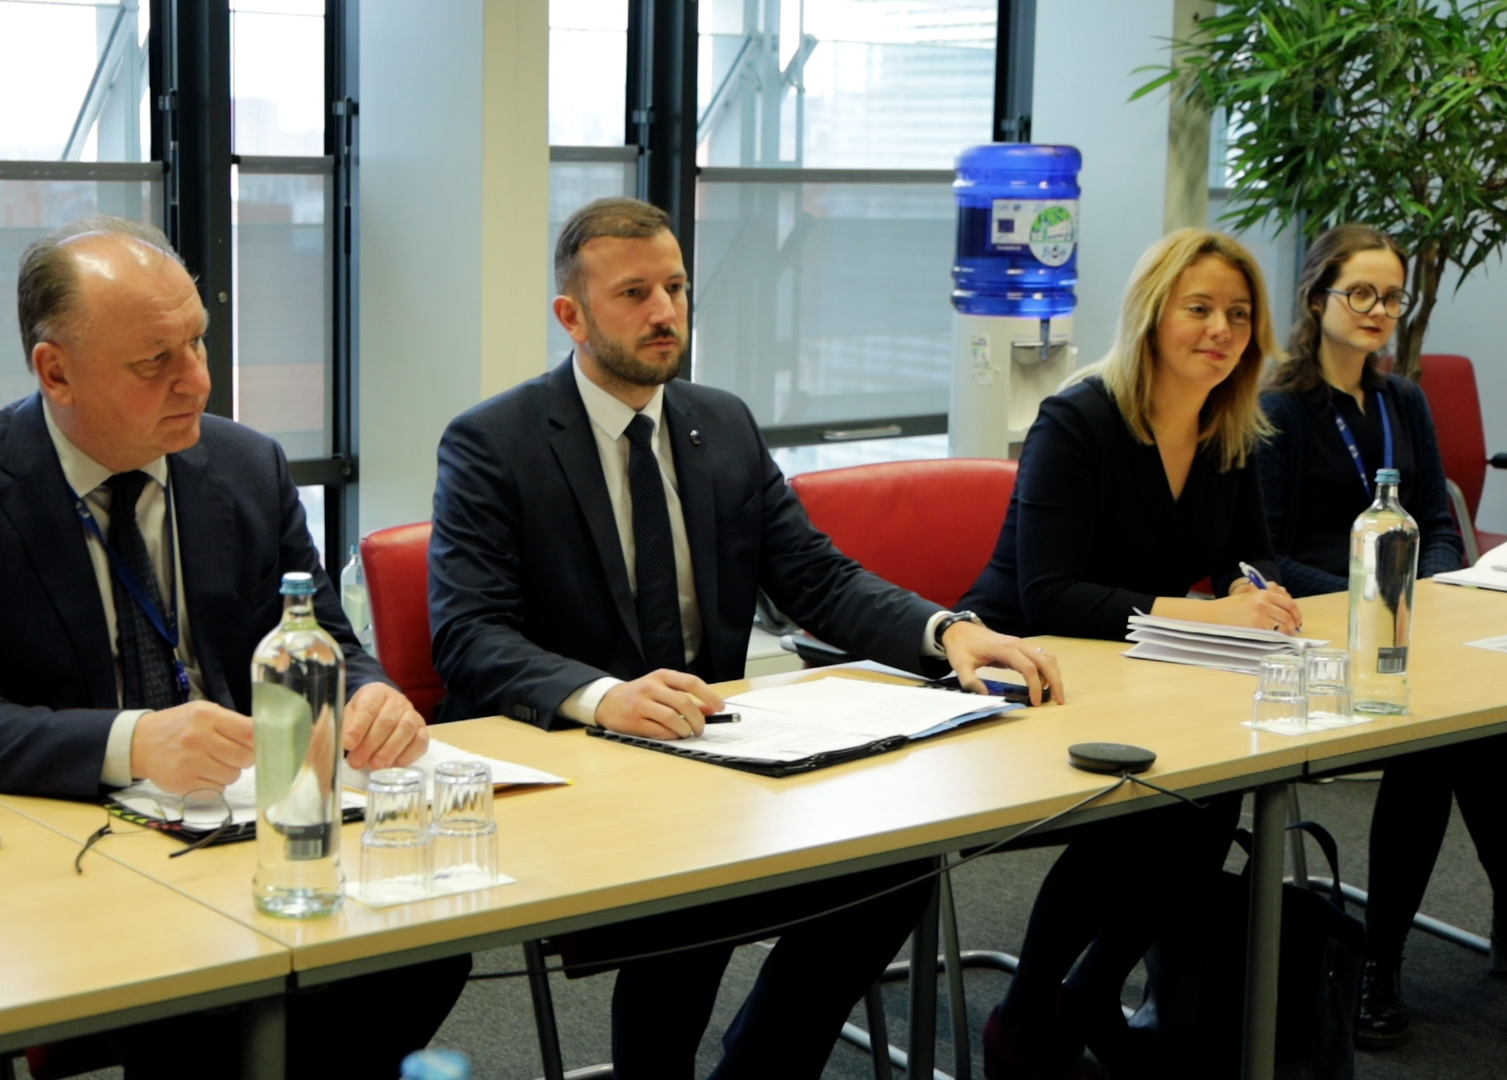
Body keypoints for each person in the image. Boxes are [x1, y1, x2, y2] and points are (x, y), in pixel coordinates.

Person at [429, 196, 1065, 1079]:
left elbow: (815, 576)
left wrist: (945, 630)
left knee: (896, 863)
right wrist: (604, 698)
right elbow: (468, 633)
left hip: (713, 751)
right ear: (571, 316)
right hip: (581, 763)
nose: (665, 311)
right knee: (691, 893)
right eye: (635, 294)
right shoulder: (494, 442)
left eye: (677, 287)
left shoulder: (719, 422)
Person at [0, 215, 468, 1077]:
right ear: (55, 372)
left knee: (422, 947)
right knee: (203, 1006)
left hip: (242, 826)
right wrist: (135, 742)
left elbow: (324, 638)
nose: (197, 379)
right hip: (70, 845)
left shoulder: (247, 465)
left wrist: (368, 694)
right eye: (155, 360)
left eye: (197, 341)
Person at [1256, 223, 1507, 1049]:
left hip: (1413, 624)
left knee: (1477, 712)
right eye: (1361, 293)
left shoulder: (1402, 400)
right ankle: (1493, 922)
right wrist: (1374, 604)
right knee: (1441, 737)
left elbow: (1438, 520)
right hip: (1321, 630)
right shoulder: (1281, 410)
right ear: (1317, 297)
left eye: (1392, 297)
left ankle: (1400, 957)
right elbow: (1267, 557)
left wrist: (1438, 589)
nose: (1379, 309)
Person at [959, 228, 1296, 1079]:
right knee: (1146, 801)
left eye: (1239, 315)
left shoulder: (1228, 427)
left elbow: (1251, 555)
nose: (1221, 330)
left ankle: (1091, 987)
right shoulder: (1077, 421)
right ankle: (1026, 1015)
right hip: (1018, 667)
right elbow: (1049, 595)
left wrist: (1255, 591)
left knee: (1215, 791)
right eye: (1199, 309)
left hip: (1136, 669)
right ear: (1151, 316)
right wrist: (1208, 613)